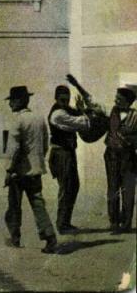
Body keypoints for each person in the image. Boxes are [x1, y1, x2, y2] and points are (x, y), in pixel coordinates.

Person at [3, 86, 58, 254]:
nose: (10, 104)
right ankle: (49, 237)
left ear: (19, 101)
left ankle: (15, 237)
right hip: (35, 171)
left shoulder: (17, 120)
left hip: (18, 172)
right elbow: (45, 144)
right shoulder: (39, 118)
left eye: (11, 100)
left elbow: (14, 149)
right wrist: (38, 162)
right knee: (38, 204)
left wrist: (9, 170)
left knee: (14, 205)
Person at [47, 85, 91, 234]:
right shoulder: (58, 114)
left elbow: (78, 117)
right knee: (67, 188)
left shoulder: (65, 110)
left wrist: (79, 110)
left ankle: (65, 222)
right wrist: (82, 112)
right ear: (56, 98)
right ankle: (62, 224)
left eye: (67, 99)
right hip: (61, 154)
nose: (65, 102)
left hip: (67, 153)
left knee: (72, 186)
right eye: (62, 99)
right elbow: (83, 123)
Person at [101, 87, 137, 234]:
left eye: (119, 99)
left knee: (128, 191)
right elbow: (95, 107)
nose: (115, 100)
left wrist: (130, 141)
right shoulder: (111, 111)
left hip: (129, 157)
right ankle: (114, 223)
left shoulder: (135, 116)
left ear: (127, 102)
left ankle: (126, 223)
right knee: (112, 189)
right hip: (111, 156)